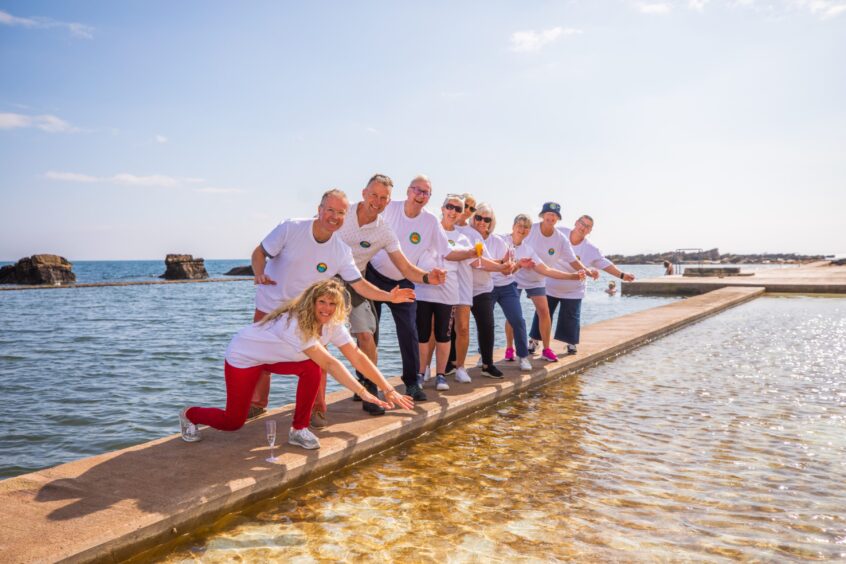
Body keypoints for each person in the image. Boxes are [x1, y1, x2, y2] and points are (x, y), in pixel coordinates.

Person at [179, 279, 414, 449]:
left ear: (339, 306)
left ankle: (299, 429)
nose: (326, 309)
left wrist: (388, 388)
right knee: (233, 422)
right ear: (311, 302)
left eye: (332, 304)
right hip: (245, 357)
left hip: (277, 358)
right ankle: (190, 414)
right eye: (321, 302)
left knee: (311, 367)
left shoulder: (333, 323)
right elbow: (331, 364)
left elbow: (358, 356)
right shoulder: (295, 323)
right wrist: (363, 393)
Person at [248, 189, 415, 424]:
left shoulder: (341, 251)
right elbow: (260, 252)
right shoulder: (291, 227)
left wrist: (388, 296)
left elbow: (360, 284)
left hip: (307, 311)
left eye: (340, 213)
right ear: (319, 210)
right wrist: (259, 273)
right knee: (260, 357)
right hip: (270, 305)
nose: (334, 216)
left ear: (345, 217)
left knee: (319, 359)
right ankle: (256, 404)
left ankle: (316, 408)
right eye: (330, 210)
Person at [335, 174, 445, 416]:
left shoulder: (401, 226)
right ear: (364, 193)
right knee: (361, 333)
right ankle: (363, 382)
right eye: (373, 195)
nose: (377, 201)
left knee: (393, 331)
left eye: (382, 197)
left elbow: (408, 265)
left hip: (380, 281)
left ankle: (400, 384)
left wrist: (428, 277)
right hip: (356, 278)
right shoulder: (349, 214)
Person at [366, 175, 458, 401]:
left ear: (429, 198)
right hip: (373, 276)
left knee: (409, 331)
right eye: (417, 190)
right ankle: (367, 383)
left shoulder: (430, 222)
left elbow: (444, 251)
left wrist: (439, 271)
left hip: (405, 279)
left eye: (426, 193)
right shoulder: (390, 209)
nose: (420, 196)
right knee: (369, 333)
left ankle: (412, 382)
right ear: (408, 191)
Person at [535, 214, 635, 355]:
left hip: (574, 289)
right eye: (582, 223)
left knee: (571, 316)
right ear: (576, 223)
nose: (583, 227)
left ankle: (571, 343)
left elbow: (605, 264)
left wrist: (622, 275)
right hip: (551, 284)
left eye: (587, 226)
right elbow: (542, 238)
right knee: (543, 313)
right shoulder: (559, 232)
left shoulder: (590, 248)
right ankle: (534, 340)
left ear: (590, 231)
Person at [502, 214, 586, 360]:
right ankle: (509, 349)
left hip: (536, 280)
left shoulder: (530, 250)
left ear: (529, 231)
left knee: (544, 311)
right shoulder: (503, 241)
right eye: (519, 226)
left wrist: (573, 276)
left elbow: (547, 270)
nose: (522, 229)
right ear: (513, 226)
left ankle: (546, 349)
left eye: (525, 227)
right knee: (513, 314)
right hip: (515, 278)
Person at [415, 194, 476, 390]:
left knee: (444, 335)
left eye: (458, 209)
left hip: (448, 294)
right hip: (424, 291)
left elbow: (474, 260)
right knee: (423, 335)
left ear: (461, 214)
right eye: (450, 206)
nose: (453, 211)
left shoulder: (463, 238)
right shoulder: (428, 228)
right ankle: (420, 372)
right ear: (442, 208)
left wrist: (503, 266)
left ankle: (441, 375)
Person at [525, 202, 598, 361]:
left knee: (565, 314)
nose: (551, 217)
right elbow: (515, 238)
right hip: (529, 275)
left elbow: (572, 259)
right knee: (538, 312)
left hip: (546, 279)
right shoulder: (531, 229)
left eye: (554, 215)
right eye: (548, 214)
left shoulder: (560, 237)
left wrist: (586, 271)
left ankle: (569, 343)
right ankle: (532, 341)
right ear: (542, 215)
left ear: (558, 218)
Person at [465, 203, 516, 379]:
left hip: (483, 288)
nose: (482, 222)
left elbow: (487, 261)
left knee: (487, 326)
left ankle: (487, 364)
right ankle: (452, 364)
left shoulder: (494, 241)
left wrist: (506, 265)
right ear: (473, 218)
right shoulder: (465, 233)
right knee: (459, 328)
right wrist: (500, 266)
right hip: (462, 288)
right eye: (478, 217)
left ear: (491, 222)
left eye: (486, 219)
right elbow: (478, 261)